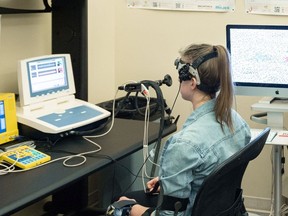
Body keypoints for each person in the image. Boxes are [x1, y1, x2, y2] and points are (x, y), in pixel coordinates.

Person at [111, 43, 251, 216]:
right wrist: (169, 180)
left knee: (119, 202)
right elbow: (211, 177)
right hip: (224, 211)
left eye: (180, 76)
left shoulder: (184, 144)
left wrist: (131, 208)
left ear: (192, 82)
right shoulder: (235, 120)